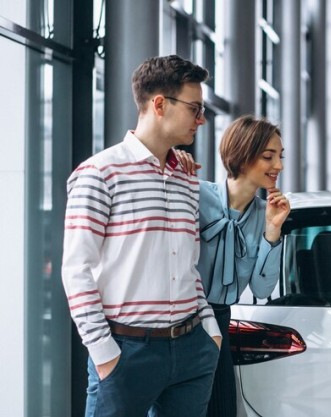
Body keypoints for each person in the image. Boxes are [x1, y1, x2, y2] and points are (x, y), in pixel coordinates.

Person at [61, 55, 222, 417]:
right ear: (160, 104)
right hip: (126, 353)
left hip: (192, 348)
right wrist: (104, 354)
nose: (202, 119)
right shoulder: (99, 173)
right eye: (195, 108)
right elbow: (76, 271)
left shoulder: (185, 175)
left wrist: (208, 330)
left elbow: (186, 262)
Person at [178, 114, 291, 416]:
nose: (278, 166)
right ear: (241, 156)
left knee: (221, 409)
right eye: (269, 156)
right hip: (180, 320)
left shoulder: (263, 213)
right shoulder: (195, 195)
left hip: (220, 321)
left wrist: (272, 231)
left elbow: (262, 287)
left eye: (280, 156)